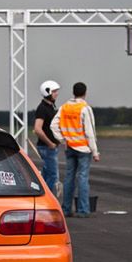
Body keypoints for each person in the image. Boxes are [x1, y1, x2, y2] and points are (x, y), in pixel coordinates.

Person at [50, 82, 100, 218]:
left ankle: (66, 209)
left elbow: (53, 125)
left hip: (70, 147)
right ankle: (83, 210)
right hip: (83, 148)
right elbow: (90, 132)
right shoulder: (85, 108)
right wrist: (95, 152)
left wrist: (63, 140)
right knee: (82, 178)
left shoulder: (64, 107)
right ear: (85, 93)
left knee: (69, 178)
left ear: (73, 92)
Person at [33, 80, 61, 194]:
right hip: (47, 148)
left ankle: (41, 197)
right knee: (53, 176)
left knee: (46, 175)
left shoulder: (50, 107)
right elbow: (38, 129)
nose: (56, 93)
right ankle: (48, 199)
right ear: (47, 92)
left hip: (49, 147)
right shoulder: (42, 108)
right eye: (54, 91)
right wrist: (50, 143)